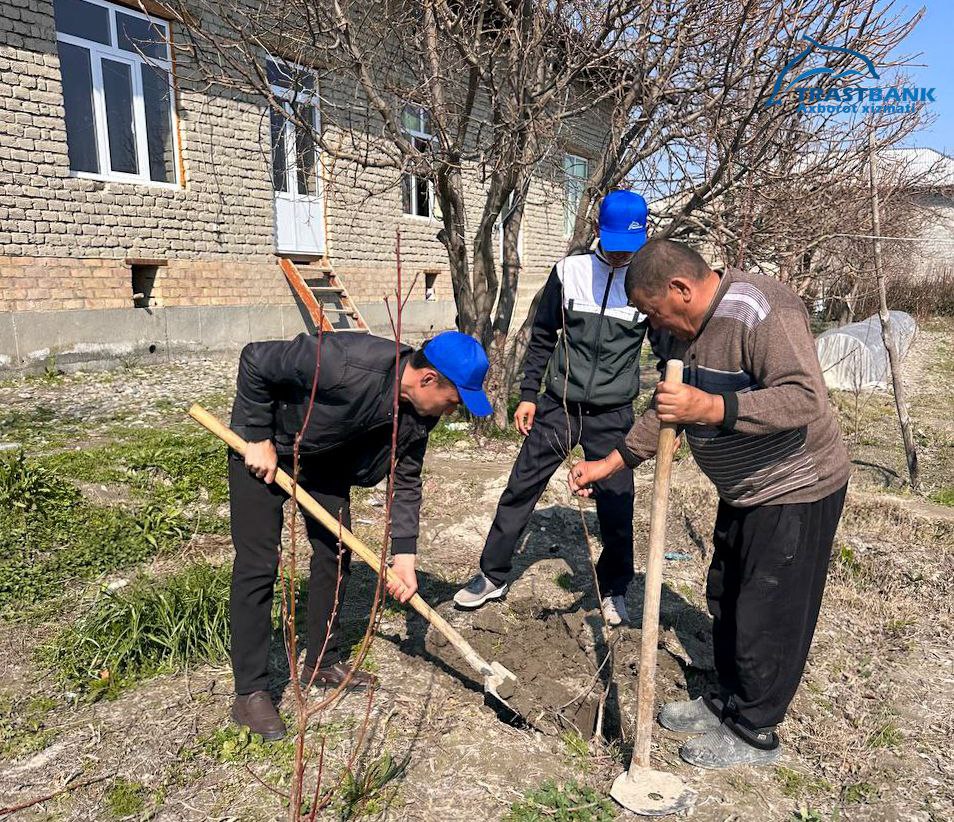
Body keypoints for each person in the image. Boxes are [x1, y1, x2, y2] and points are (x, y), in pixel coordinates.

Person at [569, 239, 850, 768]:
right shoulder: (684, 333)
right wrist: (611, 463)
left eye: (656, 311)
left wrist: (715, 406)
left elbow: (805, 397)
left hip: (795, 487)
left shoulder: (762, 309)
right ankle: (726, 701)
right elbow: (669, 405)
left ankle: (755, 731)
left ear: (682, 288)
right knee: (726, 596)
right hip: (743, 489)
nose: (656, 325)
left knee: (769, 610)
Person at [228, 329, 492, 740]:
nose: (452, 412)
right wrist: (259, 436)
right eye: (454, 401)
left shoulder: (420, 414)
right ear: (427, 380)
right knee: (259, 564)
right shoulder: (346, 361)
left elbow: (406, 479)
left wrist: (405, 558)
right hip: (266, 447)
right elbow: (256, 356)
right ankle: (250, 693)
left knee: (335, 552)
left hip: (323, 460)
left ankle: (322, 661)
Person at [454, 190, 651, 626]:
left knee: (617, 502)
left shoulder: (647, 279)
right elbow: (543, 335)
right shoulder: (570, 271)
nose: (621, 256)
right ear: (599, 230)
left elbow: (670, 344)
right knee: (521, 485)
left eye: (630, 247)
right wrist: (527, 393)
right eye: (615, 243)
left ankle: (615, 587)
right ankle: (492, 574)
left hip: (613, 413)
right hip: (558, 405)